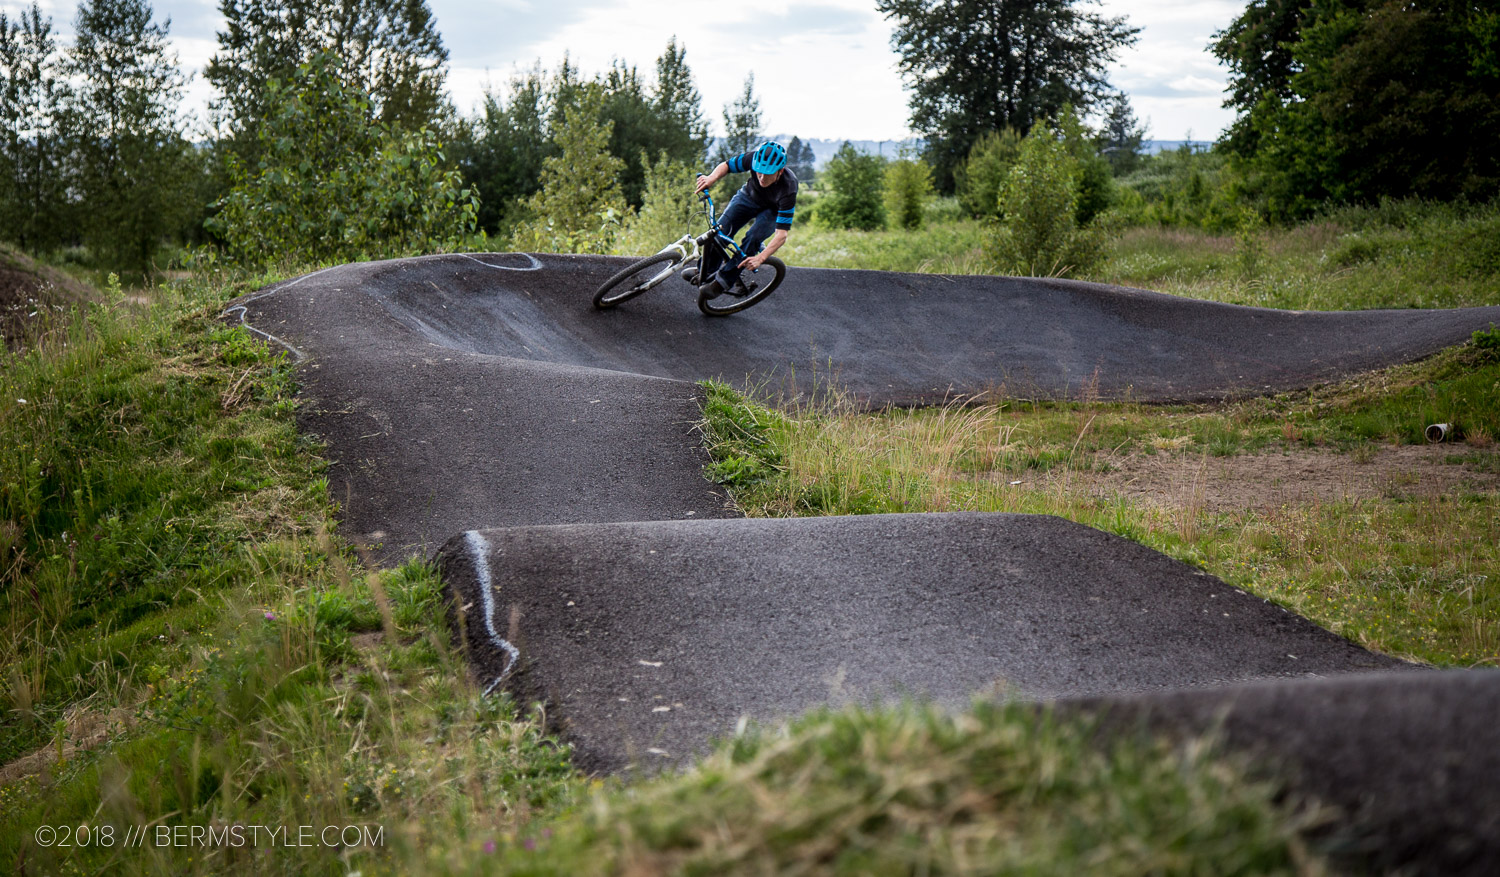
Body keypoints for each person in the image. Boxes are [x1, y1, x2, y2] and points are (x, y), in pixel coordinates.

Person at [691, 140, 798, 298]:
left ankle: (723, 282)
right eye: (759, 171)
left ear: (780, 172)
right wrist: (712, 178)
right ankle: (705, 270)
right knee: (721, 230)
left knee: (753, 238)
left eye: (767, 173)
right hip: (749, 197)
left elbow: (782, 235)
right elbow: (727, 165)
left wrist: (760, 258)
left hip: (772, 211)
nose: (761, 177)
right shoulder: (753, 158)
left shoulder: (789, 188)